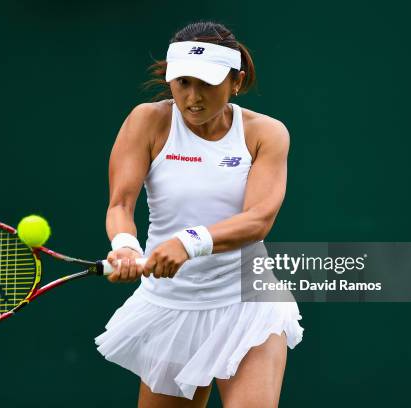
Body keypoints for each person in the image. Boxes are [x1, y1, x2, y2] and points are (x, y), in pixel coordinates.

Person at [95, 21, 303, 408]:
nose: (193, 97)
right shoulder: (148, 121)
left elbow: (259, 219)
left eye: (207, 83)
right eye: (183, 82)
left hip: (247, 302)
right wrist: (124, 246)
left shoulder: (266, 133)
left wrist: (188, 243)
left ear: (236, 81)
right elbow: (120, 205)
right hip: (171, 307)